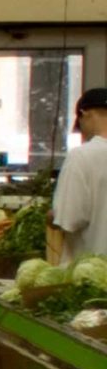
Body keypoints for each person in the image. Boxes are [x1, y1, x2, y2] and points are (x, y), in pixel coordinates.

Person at [48, 88, 107, 261]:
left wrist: (52, 215)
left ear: (84, 114)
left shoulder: (82, 156)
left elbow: (70, 219)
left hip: (92, 275)